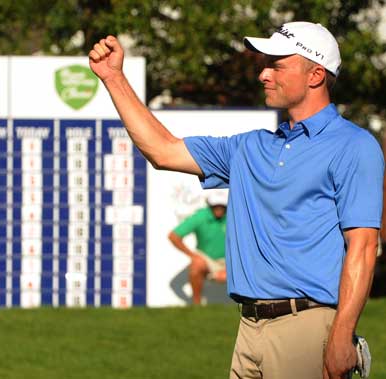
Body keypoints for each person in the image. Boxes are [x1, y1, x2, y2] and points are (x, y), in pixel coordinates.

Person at [88, 21, 383, 379]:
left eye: (276, 64)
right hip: (248, 330)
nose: (263, 74)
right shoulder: (249, 146)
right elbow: (163, 151)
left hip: (308, 329)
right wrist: (113, 78)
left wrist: (341, 335)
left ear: (316, 74)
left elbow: (363, 247)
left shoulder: (354, 145)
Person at [168, 189, 228, 305]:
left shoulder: (234, 216)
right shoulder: (201, 216)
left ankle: (250, 306)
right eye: (216, 205)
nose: (219, 208)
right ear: (210, 205)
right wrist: (193, 256)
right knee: (196, 266)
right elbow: (174, 236)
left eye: (222, 205)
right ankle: (197, 305)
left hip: (230, 261)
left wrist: (231, 268)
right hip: (207, 259)